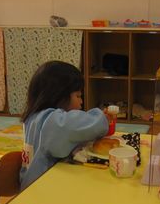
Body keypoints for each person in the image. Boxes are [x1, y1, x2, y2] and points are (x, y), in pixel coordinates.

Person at [19, 60, 113, 190]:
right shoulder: (51, 121)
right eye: (78, 96)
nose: (81, 102)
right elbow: (76, 126)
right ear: (59, 95)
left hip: (31, 186)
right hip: (39, 190)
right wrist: (102, 118)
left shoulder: (34, 117)